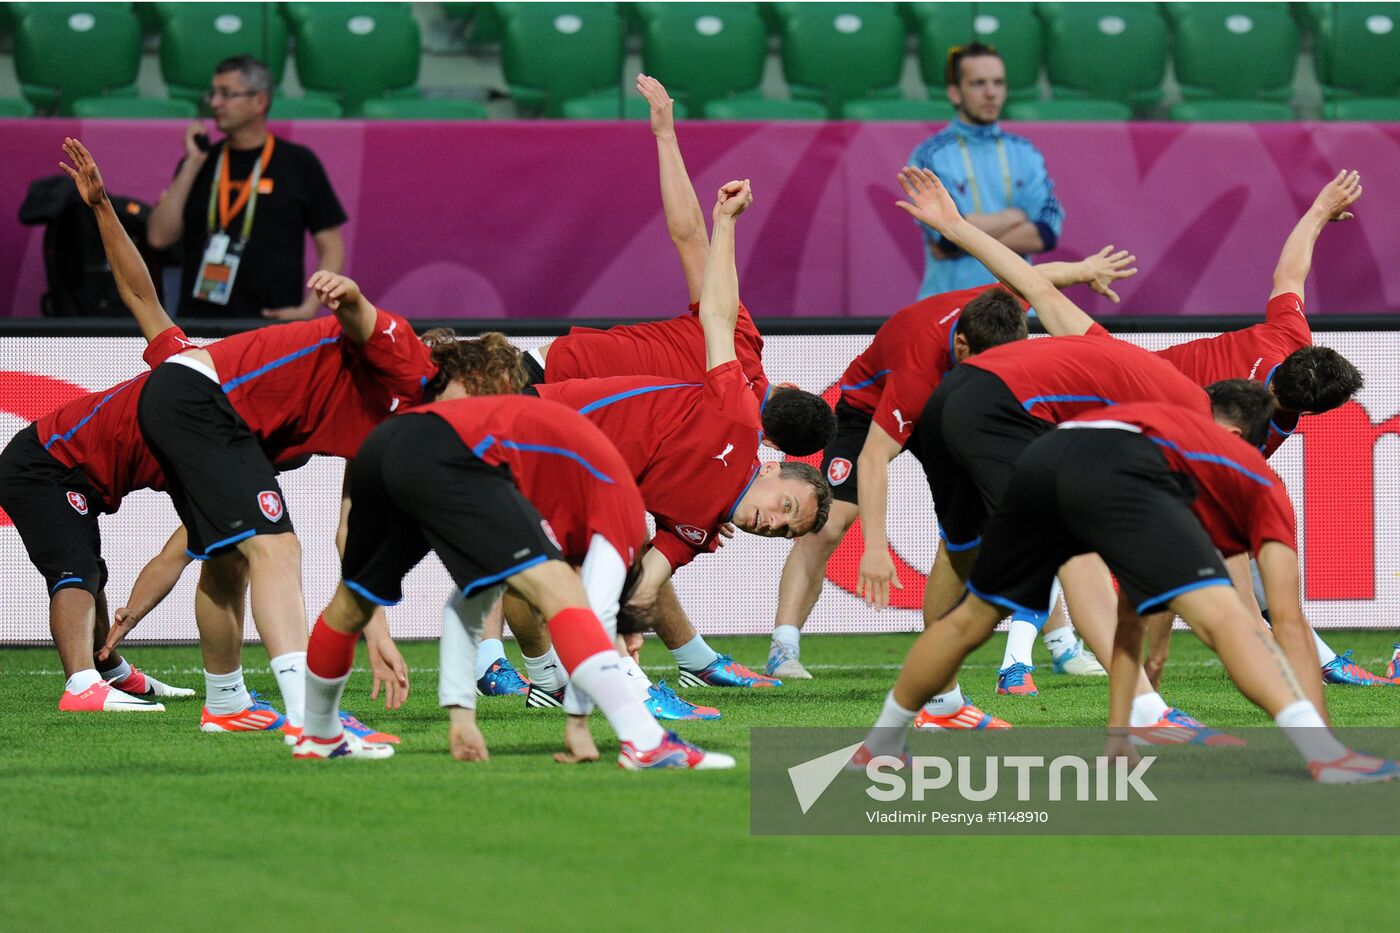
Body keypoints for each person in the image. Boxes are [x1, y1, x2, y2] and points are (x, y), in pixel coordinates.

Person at [859, 384, 1400, 785]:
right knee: (1229, 619)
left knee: (972, 618)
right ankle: (1325, 755)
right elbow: (1285, 621)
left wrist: (1117, 734)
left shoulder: (1159, 417)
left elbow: (1130, 611)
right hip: (1114, 467)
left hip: (1040, 458)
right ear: (1241, 439)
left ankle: (881, 742)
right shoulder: (1252, 473)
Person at [893, 166, 1245, 743]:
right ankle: (1146, 712)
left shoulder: (1113, 355)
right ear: (1228, 429)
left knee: (960, 552)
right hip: (996, 408)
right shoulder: (1183, 424)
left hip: (949, 398)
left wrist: (955, 227)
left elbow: (1034, 288)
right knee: (1074, 549)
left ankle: (943, 702)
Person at [299, 393, 735, 770]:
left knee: (352, 603)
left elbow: (467, 602)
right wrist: (579, 721)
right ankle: (646, 743)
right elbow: (595, 611)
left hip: (386, 442)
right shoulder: (622, 514)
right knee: (561, 592)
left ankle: (318, 735)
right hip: (448, 448)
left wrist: (462, 717)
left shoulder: (560, 493)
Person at [766, 247, 1137, 682]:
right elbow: (874, 457)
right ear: (962, 345)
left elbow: (1034, 279)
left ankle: (1061, 644)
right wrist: (875, 547)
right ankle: (783, 649)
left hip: (954, 406)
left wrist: (1085, 269)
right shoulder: (917, 369)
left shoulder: (993, 312)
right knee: (827, 526)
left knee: (1014, 507)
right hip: (869, 411)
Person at [528, 178, 833, 692]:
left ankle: (568, 685)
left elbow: (649, 575)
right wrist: (726, 223)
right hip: (536, 410)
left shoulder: (698, 531)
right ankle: (576, 682)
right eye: (785, 508)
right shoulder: (736, 411)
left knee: (529, 552)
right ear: (772, 457)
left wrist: (634, 609)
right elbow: (716, 310)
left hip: (560, 467)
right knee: (551, 550)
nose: (774, 524)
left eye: (784, 531)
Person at [524, 75, 835, 458]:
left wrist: (665, 135)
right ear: (771, 444)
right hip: (571, 437)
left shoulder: (739, 335)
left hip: (547, 371)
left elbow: (688, 236)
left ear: (788, 387)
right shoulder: (717, 450)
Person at [0, 138, 196, 712]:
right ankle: (81, 686)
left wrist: (131, 615)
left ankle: (110, 668)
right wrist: (103, 206)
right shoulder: (191, 368)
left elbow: (180, 552)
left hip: (81, 479)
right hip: (43, 461)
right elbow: (139, 291)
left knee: (92, 568)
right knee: (76, 568)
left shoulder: (227, 464)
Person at [147, 55, 345, 320]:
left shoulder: (298, 163)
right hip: (200, 326)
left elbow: (332, 247)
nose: (215, 103)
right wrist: (192, 163)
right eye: (213, 94)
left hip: (270, 325)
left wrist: (308, 309)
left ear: (259, 102)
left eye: (227, 94)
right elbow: (158, 237)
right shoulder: (200, 161)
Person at [909, 43, 1062, 298]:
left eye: (998, 83)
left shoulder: (1026, 153)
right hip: (952, 309)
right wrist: (1014, 217)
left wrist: (964, 236)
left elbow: (1046, 234)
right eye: (978, 83)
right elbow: (946, 239)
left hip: (1018, 309)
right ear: (955, 93)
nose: (991, 93)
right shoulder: (929, 156)